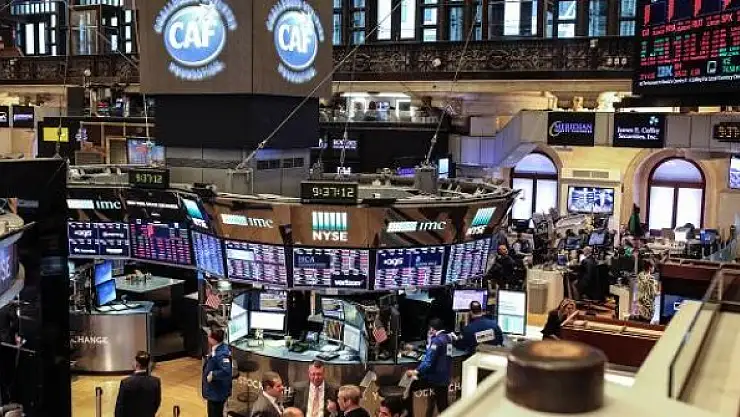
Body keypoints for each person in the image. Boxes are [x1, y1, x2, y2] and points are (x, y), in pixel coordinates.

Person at [405, 318, 452, 417]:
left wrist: (415, 371)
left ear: (432, 329)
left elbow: (428, 363)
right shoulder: (448, 338)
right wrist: (416, 348)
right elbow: (442, 355)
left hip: (435, 378)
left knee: (410, 385)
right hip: (445, 376)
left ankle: (409, 414)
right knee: (443, 404)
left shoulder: (436, 341)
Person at [114, 351, 161, 417]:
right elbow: (157, 403)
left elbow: (119, 407)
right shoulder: (155, 382)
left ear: (137, 364)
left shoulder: (126, 383)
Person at [202, 328, 233, 417]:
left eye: (209, 336)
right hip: (214, 392)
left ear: (213, 340)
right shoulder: (220, 348)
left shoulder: (221, 354)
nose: (207, 338)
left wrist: (213, 374)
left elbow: (226, 371)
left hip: (216, 394)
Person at [0, 301, 20, 405]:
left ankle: (4, 399)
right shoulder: (7, 306)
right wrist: (11, 332)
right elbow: (16, 324)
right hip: (7, 343)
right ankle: (10, 397)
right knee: (10, 371)